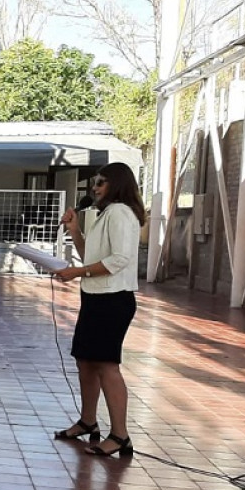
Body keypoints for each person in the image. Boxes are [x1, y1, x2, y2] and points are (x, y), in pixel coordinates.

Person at [53, 162, 144, 457]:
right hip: (95, 297)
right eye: (96, 182)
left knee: (106, 365)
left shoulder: (120, 213)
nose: (95, 187)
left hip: (113, 300)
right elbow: (89, 255)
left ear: (116, 185)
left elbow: (119, 260)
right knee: (85, 362)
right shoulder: (106, 214)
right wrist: (75, 230)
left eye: (101, 182)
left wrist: (77, 273)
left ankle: (120, 436)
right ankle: (88, 421)